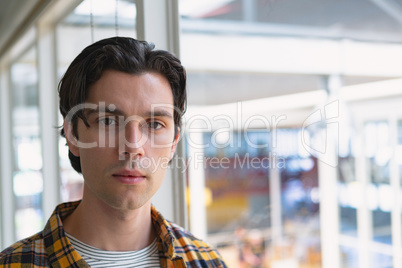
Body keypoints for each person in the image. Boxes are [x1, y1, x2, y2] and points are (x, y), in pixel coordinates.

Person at [0, 37, 227, 267]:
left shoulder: (207, 262)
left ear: (173, 143)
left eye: (155, 124)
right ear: (72, 134)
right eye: (108, 121)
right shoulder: (13, 264)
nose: (133, 146)